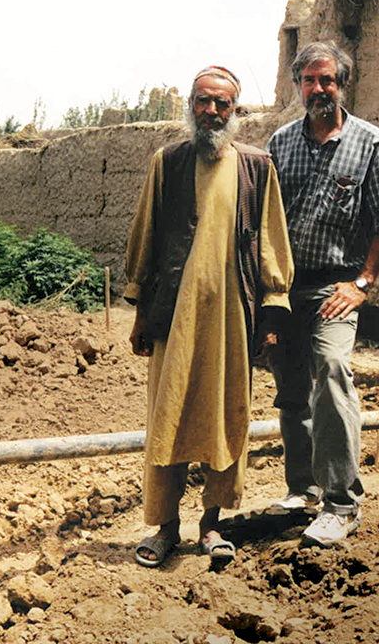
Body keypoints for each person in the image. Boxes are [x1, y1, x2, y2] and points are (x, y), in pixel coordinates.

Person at [124, 65, 294, 568]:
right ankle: (165, 528)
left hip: (232, 319)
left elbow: (271, 242)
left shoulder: (256, 168)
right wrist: (138, 314)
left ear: (235, 111)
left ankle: (213, 526)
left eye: (223, 104)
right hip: (173, 318)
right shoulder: (167, 162)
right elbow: (146, 238)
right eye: (204, 101)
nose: (213, 111)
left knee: (227, 418)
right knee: (168, 416)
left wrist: (271, 312)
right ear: (191, 105)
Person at [266, 42, 379, 546]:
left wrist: (362, 283)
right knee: (289, 389)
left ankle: (340, 503)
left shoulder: (370, 142)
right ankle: (302, 488)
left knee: (331, 372)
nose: (318, 89)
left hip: (336, 285)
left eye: (327, 80)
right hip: (285, 288)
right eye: (309, 80)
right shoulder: (280, 143)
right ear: (298, 85)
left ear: (342, 84)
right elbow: (265, 220)